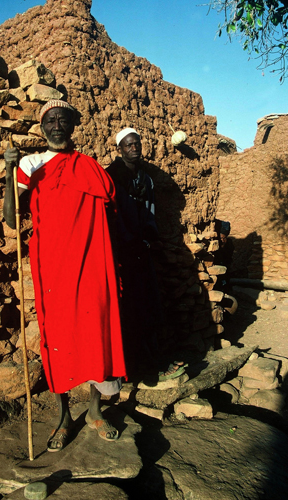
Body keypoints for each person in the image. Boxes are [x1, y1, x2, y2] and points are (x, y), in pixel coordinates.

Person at [3, 100, 126, 451]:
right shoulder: (32, 163)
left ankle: (94, 410)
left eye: (63, 120)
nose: (57, 125)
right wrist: (10, 176)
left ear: (73, 126)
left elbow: (110, 211)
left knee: (95, 331)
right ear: (43, 127)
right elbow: (13, 219)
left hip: (91, 262)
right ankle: (62, 417)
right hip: (52, 263)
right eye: (50, 120)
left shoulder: (89, 166)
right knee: (57, 336)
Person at [106, 128, 185, 381]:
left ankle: (150, 362)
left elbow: (149, 214)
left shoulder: (146, 179)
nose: (134, 149)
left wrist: (149, 239)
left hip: (142, 251)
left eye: (137, 144)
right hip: (120, 251)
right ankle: (129, 367)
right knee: (125, 308)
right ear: (120, 149)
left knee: (148, 304)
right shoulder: (111, 176)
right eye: (129, 145)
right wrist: (129, 241)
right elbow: (111, 216)